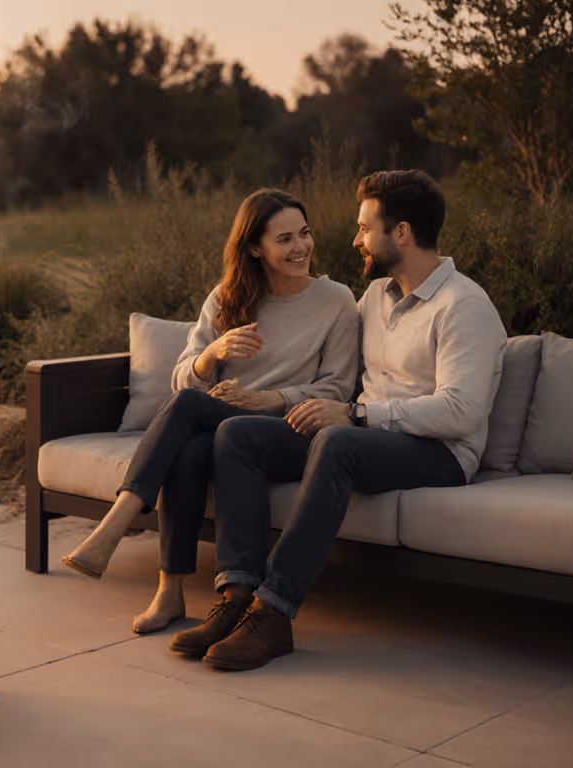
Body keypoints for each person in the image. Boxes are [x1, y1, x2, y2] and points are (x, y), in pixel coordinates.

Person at [169, 169, 507, 670]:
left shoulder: (464, 306)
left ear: (402, 233)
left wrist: (356, 415)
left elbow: (461, 412)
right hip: (363, 436)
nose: (355, 240)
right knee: (238, 435)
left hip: (439, 453)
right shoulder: (373, 298)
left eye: (365, 228)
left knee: (336, 443)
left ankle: (275, 612)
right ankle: (237, 596)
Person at [60, 188, 360, 635]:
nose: (301, 247)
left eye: (304, 233)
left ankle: (119, 522)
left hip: (289, 429)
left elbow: (337, 385)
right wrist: (212, 353)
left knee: (188, 410)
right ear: (255, 247)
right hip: (227, 430)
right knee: (192, 445)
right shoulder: (227, 298)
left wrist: (271, 400)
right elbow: (183, 376)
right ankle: (170, 592)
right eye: (285, 239)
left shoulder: (335, 300)